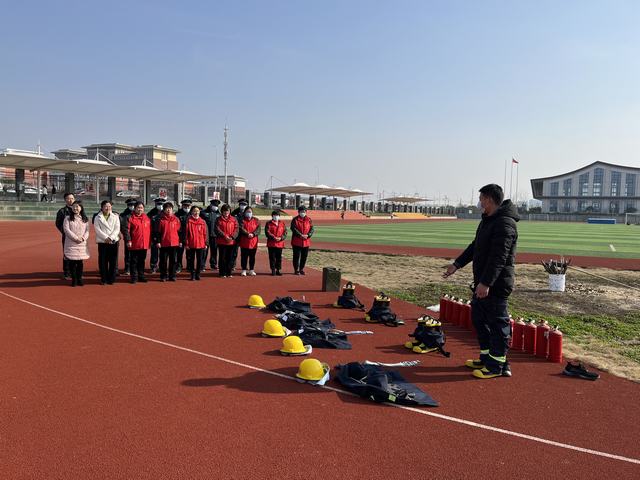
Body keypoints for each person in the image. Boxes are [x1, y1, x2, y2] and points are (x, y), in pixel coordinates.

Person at [443, 184, 519, 379]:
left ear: (489, 199)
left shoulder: (505, 223)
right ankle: (486, 358)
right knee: (479, 319)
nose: (479, 202)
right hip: (482, 281)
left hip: (496, 284)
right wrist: (457, 264)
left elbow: (499, 258)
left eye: (481, 199)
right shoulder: (487, 220)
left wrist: (486, 283)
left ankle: (496, 366)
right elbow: (475, 246)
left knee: (498, 324)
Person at [153, 202, 182, 282]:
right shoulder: (160, 220)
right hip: (164, 243)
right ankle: (163, 276)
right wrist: (158, 241)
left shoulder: (176, 219)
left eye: (170, 209)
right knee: (163, 260)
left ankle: (172, 275)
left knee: (173, 260)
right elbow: (157, 232)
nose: (168, 210)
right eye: (167, 209)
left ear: (172, 210)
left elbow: (179, 231)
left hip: (174, 243)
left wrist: (180, 241)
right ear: (164, 210)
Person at [63, 201, 90, 287]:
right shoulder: (67, 218)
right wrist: (76, 238)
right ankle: (74, 279)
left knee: (80, 262)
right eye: (74, 207)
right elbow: (66, 230)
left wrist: (83, 238)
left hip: (81, 243)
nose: (75, 208)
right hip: (71, 243)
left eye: (77, 206)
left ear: (81, 208)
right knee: (72, 262)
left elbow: (87, 231)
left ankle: (79, 279)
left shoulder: (85, 219)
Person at [93, 200, 120, 285]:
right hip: (102, 242)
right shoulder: (97, 217)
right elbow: (97, 229)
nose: (107, 208)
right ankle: (104, 279)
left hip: (113, 241)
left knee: (113, 261)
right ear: (102, 207)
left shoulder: (115, 216)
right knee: (103, 261)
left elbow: (117, 228)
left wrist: (111, 238)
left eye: (109, 206)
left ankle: (111, 279)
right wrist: (106, 238)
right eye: (105, 206)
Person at [125, 201, 151, 283]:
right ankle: (134, 277)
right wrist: (128, 240)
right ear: (135, 208)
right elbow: (126, 230)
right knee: (134, 261)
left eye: (141, 208)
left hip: (144, 244)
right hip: (134, 244)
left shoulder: (147, 218)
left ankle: (141, 276)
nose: (140, 209)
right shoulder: (130, 218)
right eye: (138, 208)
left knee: (142, 261)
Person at [182, 205, 208, 281]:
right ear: (191, 212)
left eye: (197, 211)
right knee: (191, 260)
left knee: (200, 260)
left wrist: (206, 243)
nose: (196, 213)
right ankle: (192, 274)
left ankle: (198, 274)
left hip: (201, 244)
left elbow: (205, 233)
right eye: (194, 211)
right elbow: (186, 233)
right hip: (191, 244)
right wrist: (186, 243)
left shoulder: (203, 221)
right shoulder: (188, 221)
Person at [215, 204, 239, 278]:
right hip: (222, 241)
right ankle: (222, 272)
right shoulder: (218, 219)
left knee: (230, 258)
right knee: (222, 258)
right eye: (224, 211)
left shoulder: (234, 219)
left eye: (228, 211)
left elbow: (236, 229)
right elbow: (217, 229)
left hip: (231, 242)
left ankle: (229, 272)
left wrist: (232, 237)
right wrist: (224, 236)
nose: (226, 212)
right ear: (222, 211)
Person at [55, 192, 75, 279]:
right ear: (65, 200)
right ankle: (67, 272)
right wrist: (65, 232)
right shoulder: (62, 211)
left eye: (72, 198)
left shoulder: (78, 209)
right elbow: (58, 223)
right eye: (68, 198)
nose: (70, 200)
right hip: (67, 236)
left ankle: (75, 271)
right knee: (67, 254)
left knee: (77, 254)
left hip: (77, 237)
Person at [290, 205, 314, 275]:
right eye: (301, 211)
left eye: (304, 211)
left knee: (304, 256)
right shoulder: (295, 219)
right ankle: (296, 269)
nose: (303, 213)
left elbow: (312, 229)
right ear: (298, 212)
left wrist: (308, 235)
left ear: (306, 212)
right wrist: (300, 235)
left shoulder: (309, 219)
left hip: (306, 241)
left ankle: (301, 269)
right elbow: (293, 228)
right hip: (296, 241)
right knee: (296, 256)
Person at [238, 206, 261, 276]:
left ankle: (251, 270)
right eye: (247, 212)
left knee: (252, 257)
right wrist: (247, 234)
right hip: (244, 241)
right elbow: (241, 228)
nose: (249, 213)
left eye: (250, 212)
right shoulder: (242, 220)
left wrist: (253, 234)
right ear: (245, 212)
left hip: (253, 242)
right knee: (244, 257)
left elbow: (258, 229)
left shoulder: (256, 220)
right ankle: (244, 270)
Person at [265, 210, 287, 276]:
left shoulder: (282, 223)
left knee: (279, 258)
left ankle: (278, 270)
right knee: (272, 257)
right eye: (274, 215)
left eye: (277, 215)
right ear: (272, 216)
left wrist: (281, 238)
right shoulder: (268, 223)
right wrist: (274, 237)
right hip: (271, 243)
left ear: (279, 216)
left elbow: (285, 232)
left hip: (280, 243)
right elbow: (267, 232)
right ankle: (273, 270)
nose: (276, 217)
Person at [201, 198, 221, 271]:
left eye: (216, 206)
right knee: (204, 251)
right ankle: (202, 265)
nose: (215, 207)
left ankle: (213, 264)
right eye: (214, 205)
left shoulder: (219, 214)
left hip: (215, 236)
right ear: (210, 205)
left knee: (214, 251)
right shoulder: (203, 213)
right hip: (206, 236)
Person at [147, 197, 166, 273]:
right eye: (158, 204)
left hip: (164, 236)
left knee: (163, 253)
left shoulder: (165, 213)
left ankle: (162, 267)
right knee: (154, 252)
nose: (160, 205)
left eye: (161, 204)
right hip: (154, 236)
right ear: (155, 204)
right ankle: (153, 266)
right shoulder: (151, 213)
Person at [119, 198, 137, 275]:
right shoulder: (123, 215)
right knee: (128, 254)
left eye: (133, 205)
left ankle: (136, 269)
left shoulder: (138, 214)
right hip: (128, 237)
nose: (132, 206)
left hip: (137, 237)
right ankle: (127, 269)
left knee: (137, 254)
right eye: (130, 205)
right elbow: (122, 228)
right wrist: (127, 237)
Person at [175, 199, 192, 273]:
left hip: (190, 237)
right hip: (180, 237)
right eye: (185, 206)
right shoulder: (177, 214)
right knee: (179, 253)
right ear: (182, 206)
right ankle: (179, 266)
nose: (187, 207)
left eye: (188, 206)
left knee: (189, 254)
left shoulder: (192, 214)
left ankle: (189, 266)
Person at [231, 199, 249, 270]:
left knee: (245, 252)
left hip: (244, 235)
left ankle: (244, 266)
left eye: (244, 205)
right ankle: (233, 265)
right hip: (236, 235)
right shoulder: (234, 212)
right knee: (234, 251)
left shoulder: (248, 212)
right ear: (239, 205)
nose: (243, 206)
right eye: (241, 204)